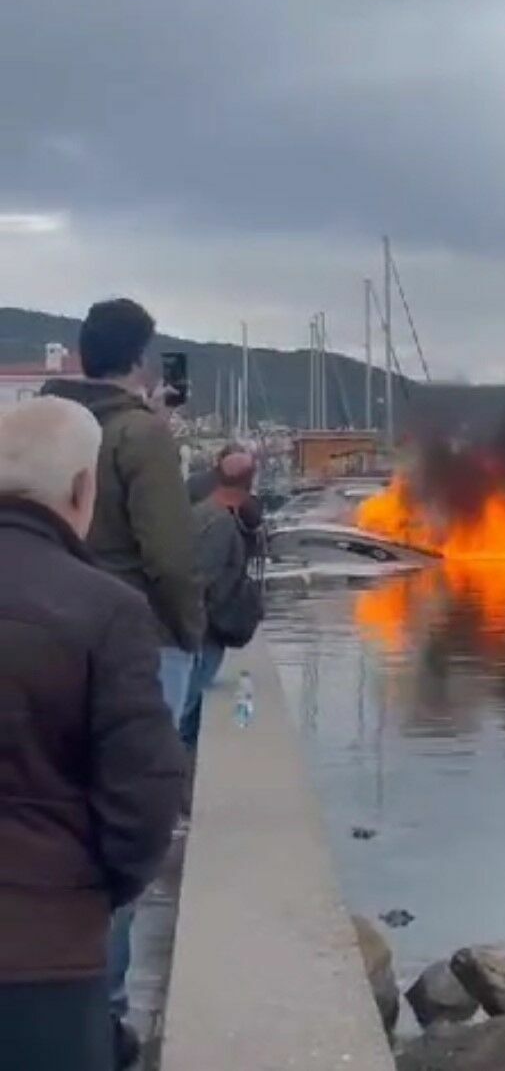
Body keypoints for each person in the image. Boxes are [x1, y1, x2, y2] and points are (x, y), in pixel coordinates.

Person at [41, 297, 204, 1063]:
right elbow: (170, 556)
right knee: (122, 828)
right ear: (141, 359)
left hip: (42, 632)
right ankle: (102, 1015)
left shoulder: (42, 423)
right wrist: (191, 633)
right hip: (134, 640)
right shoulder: (142, 434)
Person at [0, 399, 184, 1071]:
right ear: (83, 491)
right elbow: (145, 795)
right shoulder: (105, 610)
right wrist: (95, 893)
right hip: (44, 960)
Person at [180, 445, 265, 753]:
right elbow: (202, 579)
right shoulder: (220, 524)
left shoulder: (203, 513)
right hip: (205, 633)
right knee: (187, 703)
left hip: (197, 629)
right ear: (250, 482)